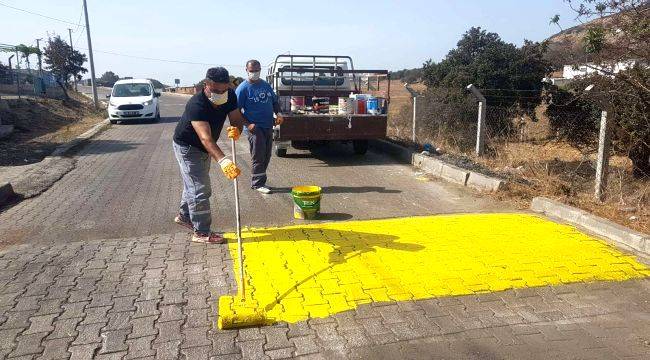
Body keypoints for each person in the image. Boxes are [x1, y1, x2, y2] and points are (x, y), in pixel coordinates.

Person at [172, 67, 245, 243]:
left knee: (193, 183)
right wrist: (224, 161)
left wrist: (237, 129)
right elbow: (206, 138)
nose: (220, 93)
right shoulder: (196, 104)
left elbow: (236, 119)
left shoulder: (230, 96)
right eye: (215, 90)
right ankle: (202, 232)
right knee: (200, 188)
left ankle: (184, 216)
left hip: (204, 148)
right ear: (206, 85)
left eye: (223, 89)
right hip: (188, 147)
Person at [235, 59, 284, 194]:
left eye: (257, 71)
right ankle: (257, 184)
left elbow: (274, 101)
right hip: (255, 128)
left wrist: (278, 113)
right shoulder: (242, 89)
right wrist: (248, 124)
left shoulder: (265, 85)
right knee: (258, 156)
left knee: (267, 155)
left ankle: (261, 180)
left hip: (268, 125)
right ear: (246, 70)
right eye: (252, 71)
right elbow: (236, 111)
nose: (255, 73)